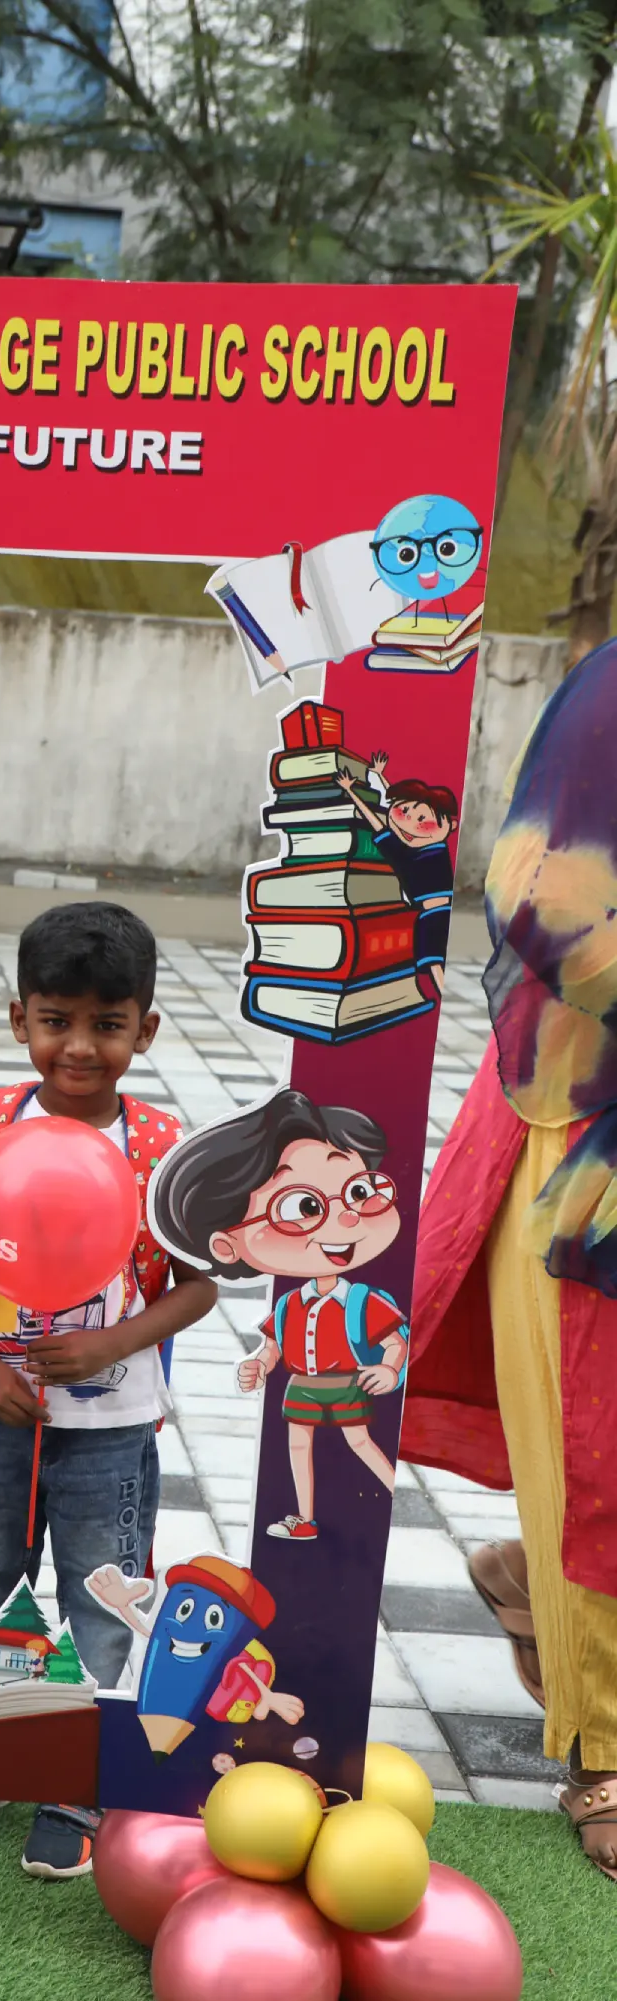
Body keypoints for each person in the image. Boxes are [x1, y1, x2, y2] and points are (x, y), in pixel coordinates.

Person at [0, 901, 217, 1877]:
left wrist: (114, 1341)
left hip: (112, 1432)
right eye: (55, 1020)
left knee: (101, 1602)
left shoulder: (163, 1148)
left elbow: (201, 1285)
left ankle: (76, 1782)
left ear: (145, 1030)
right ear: (19, 1019)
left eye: (107, 1024)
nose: (79, 1046)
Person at [401, 639, 617, 1881]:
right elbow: (544, 892)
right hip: (588, 1121)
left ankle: (534, 1580)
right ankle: (604, 1740)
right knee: (602, 1442)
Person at [149, 1088, 408, 1544]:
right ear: (226, 1244)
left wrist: (389, 1369)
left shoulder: (360, 1300)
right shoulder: (290, 1304)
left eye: (360, 1192)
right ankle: (304, 1517)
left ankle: (389, 1495)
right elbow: (274, 1346)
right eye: (304, 1207)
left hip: (347, 1383)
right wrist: (260, 1363)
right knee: (297, 1445)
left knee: (359, 1441)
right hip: (302, 1385)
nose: (347, 1218)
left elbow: (394, 1340)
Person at [336, 751, 459, 996]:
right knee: (435, 964)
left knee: (435, 964)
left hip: (437, 914)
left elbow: (403, 805)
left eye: (424, 820)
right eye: (404, 814)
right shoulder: (407, 852)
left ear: (450, 825)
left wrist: (372, 783)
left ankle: (440, 993)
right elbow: (390, 813)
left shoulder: (427, 848)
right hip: (431, 914)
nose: (411, 824)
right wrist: (357, 789)